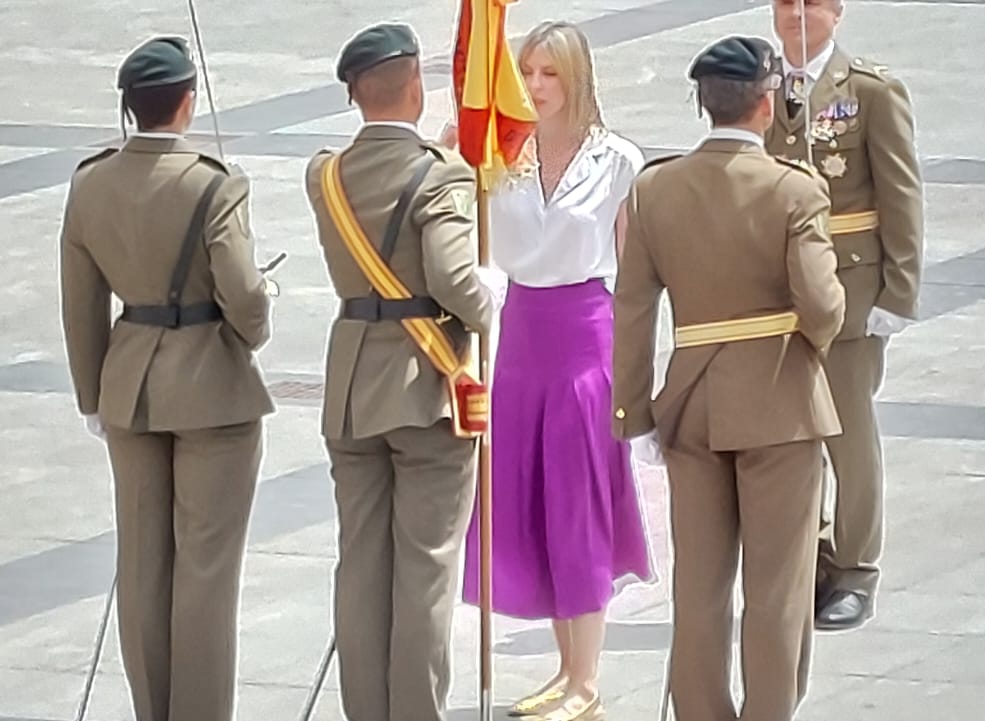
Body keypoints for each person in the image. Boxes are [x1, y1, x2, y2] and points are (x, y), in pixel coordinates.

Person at [611, 35, 846, 721]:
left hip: (691, 407)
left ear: (703, 104)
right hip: (780, 403)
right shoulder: (793, 189)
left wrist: (633, 413)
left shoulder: (655, 189)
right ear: (766, 104)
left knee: (700, 589)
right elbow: (823, 307)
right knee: (778, 589)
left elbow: (632, 308)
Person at [58, 35, 276, 721]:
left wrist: (92, 395)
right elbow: (242, 297)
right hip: (211, 387)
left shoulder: (90, 183)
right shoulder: (215, 183)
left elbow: (80, 300)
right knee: (206, 571)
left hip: (130, 387)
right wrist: (258, 318)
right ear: (188, 102)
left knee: (143, 564)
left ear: (131, 109)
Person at [449, 20, 653, 721]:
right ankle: (565, 668)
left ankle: (587, 680)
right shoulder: (502, 156)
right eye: (527, 71)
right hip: (522, 340)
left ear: (577, 79)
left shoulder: (619, 160)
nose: (535, 86)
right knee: (532, 505)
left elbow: (633, 275)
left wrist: (635, 376)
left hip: (584, 341)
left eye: (549, 73)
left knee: (578, 508)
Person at [302, 23, 503, 721]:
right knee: (425, 567)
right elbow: (453, 279)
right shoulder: (441, 174)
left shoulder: (322, 173)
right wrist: (490, 293)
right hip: (426, 390)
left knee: (361, 565)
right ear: (417, 85)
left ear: (355, 93)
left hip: (352, 388)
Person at [766, 0, 926, 631]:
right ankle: (809, 560)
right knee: (787, 435)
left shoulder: (868, 90)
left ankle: (856, 567)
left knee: (848, 434)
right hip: (774, 288)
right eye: (784, 5)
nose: (795, 17)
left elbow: (900, 192)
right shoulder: (758, 84)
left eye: (810, 5)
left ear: (837, 13)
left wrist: (899, 293)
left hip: (849, 285)